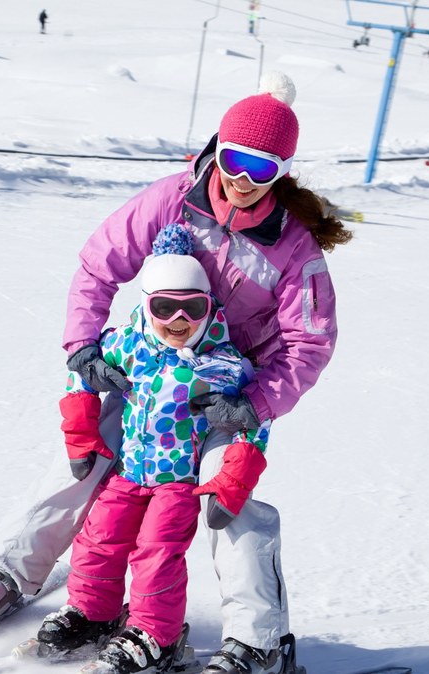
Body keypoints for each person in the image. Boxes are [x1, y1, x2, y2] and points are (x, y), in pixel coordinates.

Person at [0, 71, 350, 674]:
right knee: (84, 459)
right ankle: (11, 573)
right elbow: (98, 264)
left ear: (282, 173)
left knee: (226, 500)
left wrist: (256, 404)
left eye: (260, 170)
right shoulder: (172, 198)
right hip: (146, 367)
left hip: (227, 393)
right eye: (234, 160)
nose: (241, 181)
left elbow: (309, 343)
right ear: (217, 147)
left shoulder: (293, 248)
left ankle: (259, 641)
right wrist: (86, 346)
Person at [35, 225, 272, 674]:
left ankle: (156, 634)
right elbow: (80, 373)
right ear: (147, 304)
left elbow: (252, 423)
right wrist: (82, 431)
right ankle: (94, 613)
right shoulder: (127, 343)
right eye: (165, 308)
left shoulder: (221, 363)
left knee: (156, 552)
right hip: (128, 472)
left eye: (192, 308)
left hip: (179, 482)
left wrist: (234, 478)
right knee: (98, 540)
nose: (178, 321)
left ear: (209, 307)